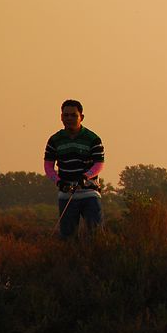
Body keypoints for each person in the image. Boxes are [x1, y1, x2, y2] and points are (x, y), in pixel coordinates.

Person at [44, 99, 105, 238]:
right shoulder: (54, 140)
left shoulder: (93, 138)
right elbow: (48, 166)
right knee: (67, 238)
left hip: (89, 194)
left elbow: (99, 164)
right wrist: (59, 182)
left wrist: (85, 176)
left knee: (95, 236)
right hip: (66, 195)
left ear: (81, 117)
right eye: (66, 115)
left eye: (73, 115)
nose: (69, 118)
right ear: (61, 117)